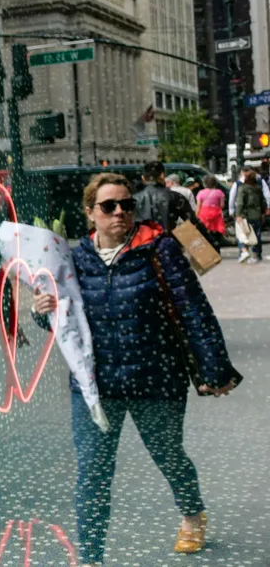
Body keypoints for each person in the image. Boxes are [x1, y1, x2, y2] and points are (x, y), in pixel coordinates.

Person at [33, 173, 239, 566]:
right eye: (109, 206)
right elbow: (62, 321)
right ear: (90, 212)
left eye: (127, 204)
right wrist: (39, 311)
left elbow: (193, 310)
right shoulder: (74, 259)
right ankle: (91, 558)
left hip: (155, 378)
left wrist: (215, 368)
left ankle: (192, 513)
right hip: (96, 385)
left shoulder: (160, 250)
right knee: (93, 476)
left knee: (169, 455)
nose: (120, 213)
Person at [134, 162, 197, 231]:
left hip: (142, 240)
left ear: (143, 178)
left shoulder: (135, 199)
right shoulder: (175, 197)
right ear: (162, 175)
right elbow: (194, 223)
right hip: (167, 239)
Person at [234, 166, 267, 264]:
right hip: (257, 215)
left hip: (246, 216)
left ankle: (244, 251)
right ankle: (256, 256)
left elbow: (240, 202)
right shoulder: (258, 188)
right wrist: (263, 213)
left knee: (242, 234)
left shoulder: (242, 188)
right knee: (256, 237)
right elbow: (263, 202)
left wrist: (238, 215)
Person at [194, 175, 227, 239]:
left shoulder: (200, 193)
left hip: (204, 215)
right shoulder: (219, 192)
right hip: (216, 215)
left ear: (204, 183)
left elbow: (198, 206)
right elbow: (222, 205)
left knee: (204, 233)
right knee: (216, 233)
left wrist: (196, 216)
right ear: (215, 183)